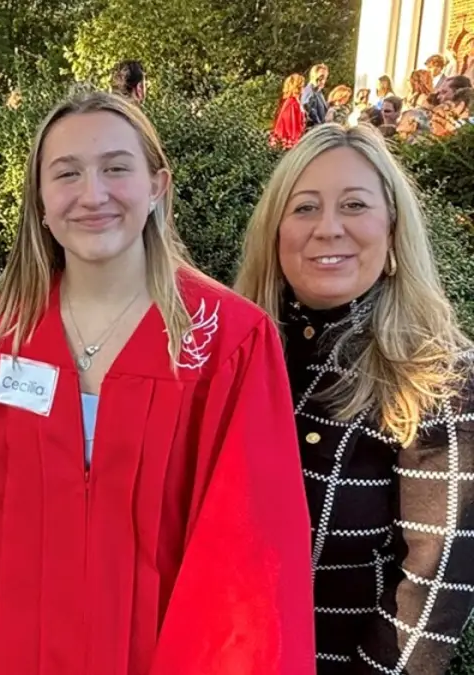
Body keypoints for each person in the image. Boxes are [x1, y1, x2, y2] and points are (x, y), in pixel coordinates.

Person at [0, 91, 315, 675]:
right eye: (66, 174)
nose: (93, 195)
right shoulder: (1, 334)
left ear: (157, 186)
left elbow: (249, 564)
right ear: (40, 200)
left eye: (117, 168)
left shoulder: (226, 341)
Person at [234, 123, 474, 674]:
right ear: (275, 233)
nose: (328, 229)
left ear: (391, 231)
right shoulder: (240, 358)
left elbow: (432, 591)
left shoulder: (435, 377)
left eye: (354, 205)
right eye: (305, 208)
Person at [271, 73, 307, 148]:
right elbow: (290, 126)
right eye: (302, 86)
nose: (304, 88)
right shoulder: (291, 103)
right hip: (288, 141)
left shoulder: (295, 101)